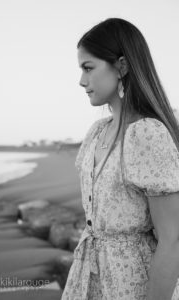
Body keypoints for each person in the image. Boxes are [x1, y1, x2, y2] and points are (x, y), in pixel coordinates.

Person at [61, 18, 179, 300]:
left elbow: (172, 239)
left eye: (88, 68)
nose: (82, 81)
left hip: (132, 285)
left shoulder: (146, 134)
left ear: (122, 66)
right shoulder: (97, 133)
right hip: (88, 279)